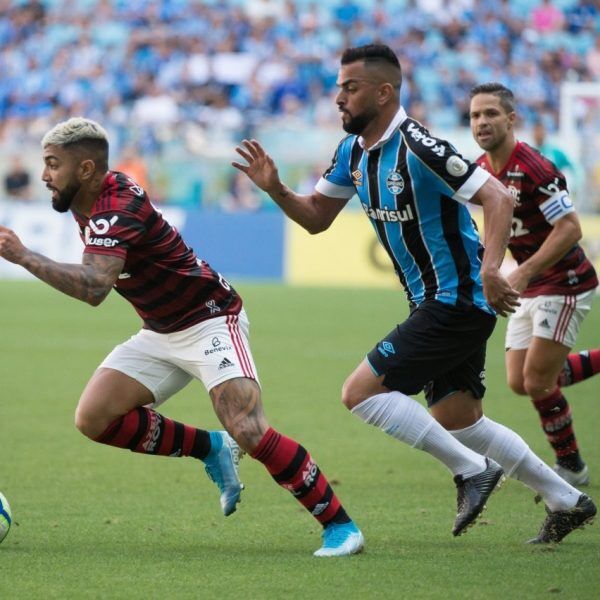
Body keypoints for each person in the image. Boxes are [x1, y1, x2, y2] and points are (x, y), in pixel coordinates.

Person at [233, 44, 596, 543]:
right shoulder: (352, 152)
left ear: (384, 93)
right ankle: (567, 499)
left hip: (458, 300)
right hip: (435, 302)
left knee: (359, 393)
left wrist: (493, 269)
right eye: (339, 87)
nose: (338, 98)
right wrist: (276, 189)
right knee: (459, 418)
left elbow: (497, 196)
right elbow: (317, 217)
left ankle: (472, 471)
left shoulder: (420, 146)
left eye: (350, 88)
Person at [0, 117, 363, 557]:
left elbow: (95, 288)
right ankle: (211, 447)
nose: (44, 176)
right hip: (161, 328)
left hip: (209, 317)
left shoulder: (117, 206)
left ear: (87, 169)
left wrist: (23, 256)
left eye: (53, 164)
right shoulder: (83, 200)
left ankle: (340, 526)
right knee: (94, 418)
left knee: (248, 426)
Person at [470, 83, 600, 487]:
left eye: (491, 113)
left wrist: (522, 273)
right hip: (529, 283)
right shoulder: (481, 169)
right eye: (475, 115)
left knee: (539, 381)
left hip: (564, 281)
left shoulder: (535, 169)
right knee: (519, 381)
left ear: (511, 120)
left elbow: (570, 229)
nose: (481, 122)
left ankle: (572, 465)